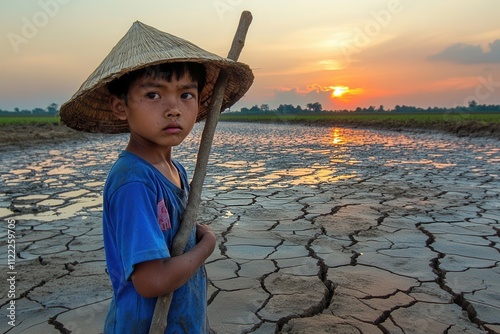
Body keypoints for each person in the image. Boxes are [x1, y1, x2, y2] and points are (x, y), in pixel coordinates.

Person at [60, 21, 253, 333]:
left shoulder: (176, 171)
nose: (173, 108)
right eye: (153, 95)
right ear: (120, 107)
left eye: (186, 95)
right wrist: (206, 245)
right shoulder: (134, 182)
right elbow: (152, 281)